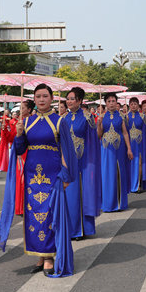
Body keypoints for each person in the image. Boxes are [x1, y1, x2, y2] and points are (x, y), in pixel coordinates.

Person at [0, 84, 79, 277]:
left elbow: (67, 150)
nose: (41, 99)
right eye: (38, 96)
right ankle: (40, 255)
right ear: (34, 99)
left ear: (52, 99)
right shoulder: (27, 122)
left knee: (49, 216)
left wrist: (65, 176)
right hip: (32, 178)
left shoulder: (59, 121)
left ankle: (49, 257)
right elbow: (21, 149)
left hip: (53, 177)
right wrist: (18, 134)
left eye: (45, 96)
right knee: (33, 217)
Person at [60, 87, 101, 239]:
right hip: (66, 163)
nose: (69, 101)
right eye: (68, 99)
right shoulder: (62, 118)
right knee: (68, 196)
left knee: (80, 195)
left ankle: (81, 230)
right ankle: (69, 228)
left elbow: (92, 142)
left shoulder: (87, 117)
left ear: (80, 101)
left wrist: (90, 165)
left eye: (72, 99)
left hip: (82, 163)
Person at [97, 93, 134, 212]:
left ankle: (120, 203)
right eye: (109, 101)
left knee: (119, 173)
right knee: (107, 174)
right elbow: (99, 135)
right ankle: (108, 204)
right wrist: (98, 124)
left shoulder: (122, 116)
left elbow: (125, 133)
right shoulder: (102, 117)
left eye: (113, 101)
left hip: (120, 149)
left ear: (116, 103)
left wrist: (129, 148)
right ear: (105, 103)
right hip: (106, 150)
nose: (111, 103)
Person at [126, 97, 146, 194]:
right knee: (130, 165)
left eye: (135, 104)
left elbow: (145, 132)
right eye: (131, 104)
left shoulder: (142, 116)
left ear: (138, 105)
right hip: (130, 145)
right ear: (129, 105)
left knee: (139, 164)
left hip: (140, 144)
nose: (133, 106)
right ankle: (130, 184)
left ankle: (138, 185)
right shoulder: (125, 117)